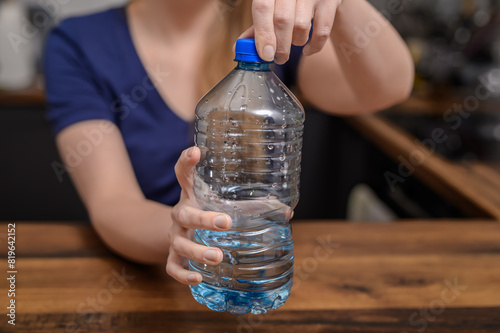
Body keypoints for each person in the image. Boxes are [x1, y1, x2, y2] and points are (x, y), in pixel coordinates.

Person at [44, 0, 414, 285]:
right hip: (158, 281)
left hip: (259, 273)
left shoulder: (271, 31)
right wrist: (179, 229)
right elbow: (113, 204)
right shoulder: (77, 43)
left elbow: (388, 86)